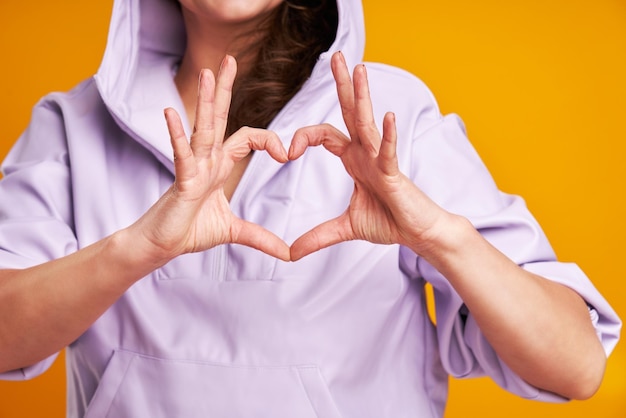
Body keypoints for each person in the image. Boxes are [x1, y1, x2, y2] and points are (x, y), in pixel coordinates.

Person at [0, 0, 621, 416]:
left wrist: (437, 235)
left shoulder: (387, 117)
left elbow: (575, 368)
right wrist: (136, 251)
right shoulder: (71, 127)